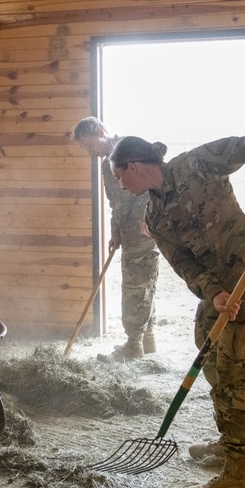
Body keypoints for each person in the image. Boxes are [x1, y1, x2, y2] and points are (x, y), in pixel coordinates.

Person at [108, 132, 245, 488]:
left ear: (133, 166)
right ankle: (230, 443)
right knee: (209, 355)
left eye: (119, 177)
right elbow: (185, 265)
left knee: (241, 372)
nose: (121, 187)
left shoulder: (195, 165)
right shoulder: (154, 216)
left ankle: (239, 475)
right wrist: (213, 293)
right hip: (221, 291)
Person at [72, 117, 160, 359]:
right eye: (85, 149)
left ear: (101, 131)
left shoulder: (131, 149)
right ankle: (147, 339)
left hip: (144, 228)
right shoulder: (105, 166)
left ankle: (133, 345)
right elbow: (115, 202)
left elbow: (154, 184)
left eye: (90, 145)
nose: (90, 152)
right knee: (145, 281)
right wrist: (115, 232)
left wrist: (148, 216)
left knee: (135, 285)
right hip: (128, 230)